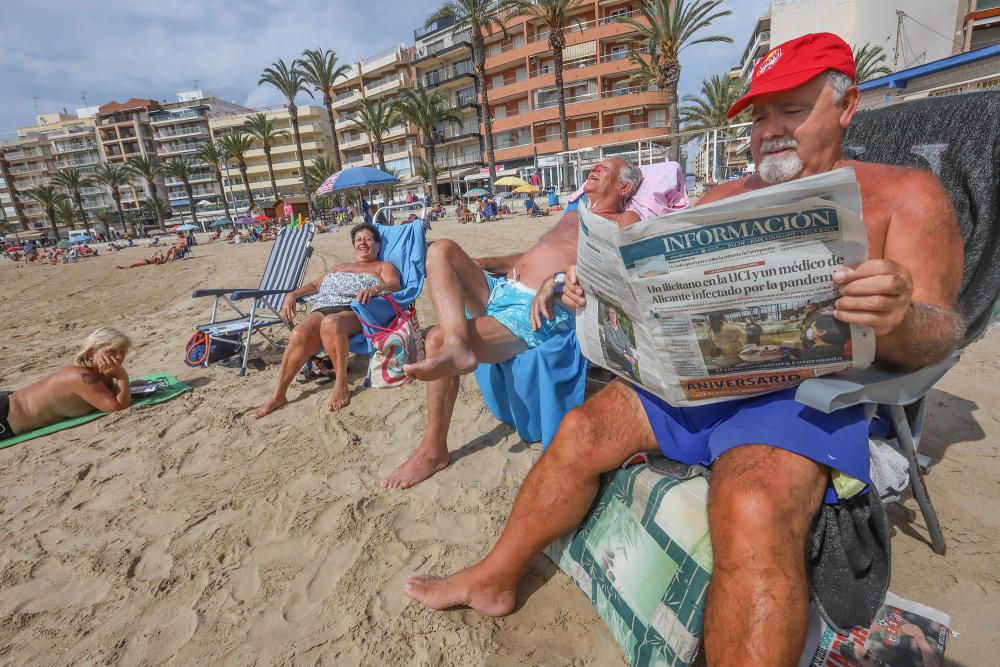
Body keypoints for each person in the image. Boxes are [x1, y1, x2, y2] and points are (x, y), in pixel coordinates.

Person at [402, 33, 964, 665]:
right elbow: (653, 294)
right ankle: (495, 577)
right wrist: (591, 290)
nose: (769, 130)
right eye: (758, 115)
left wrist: (897, 315)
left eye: (791, 109)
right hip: (695, 379)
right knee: (581, 429)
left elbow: (943, 333)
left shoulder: (906, 196)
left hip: (805, 391)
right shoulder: (721, 199)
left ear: (846, 104)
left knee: (751, 501)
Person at [383, 157, 643, 489]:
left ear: (625, 187)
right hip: (502, 289)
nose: (595, 167)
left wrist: (558, 281)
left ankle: (433, 451)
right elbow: (535, 253)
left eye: (606, 168)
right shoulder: (575, 212)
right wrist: (482, 263)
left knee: (434, 339)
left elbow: (616, 274)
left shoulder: (624, 219)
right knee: (441, 250)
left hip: (534, 307)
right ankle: (457, 345)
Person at [252, 223, 401, 417]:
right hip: (324, 306)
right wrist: (292, 294)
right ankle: (278, 395)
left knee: (331, 323)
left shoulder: (383, 266)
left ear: (378, 245)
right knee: (299, 333)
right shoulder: (339, 267)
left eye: (368, 239)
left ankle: (341, 385)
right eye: (358, 240)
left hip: (357, 309)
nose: (362, 243)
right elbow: (315, 285)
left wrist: (374, 290)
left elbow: (395, 285)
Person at [1, 328, 132, 442]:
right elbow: (117, 407)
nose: (119, 357)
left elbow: (110, 394)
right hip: (4, 415)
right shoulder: (82, 378)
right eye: (111, 351)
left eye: (122, 352)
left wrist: (123, 384)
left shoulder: (101, 375)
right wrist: (122, 377)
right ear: (90, 353)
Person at [603, 308, 638, 378]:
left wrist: (631, 355)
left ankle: (631, 375)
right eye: (610, 313)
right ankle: (631, 376)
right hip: (612, 351)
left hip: (622, 352)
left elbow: (626, 343)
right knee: (625, 361)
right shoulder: (607, 325)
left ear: (616, 314)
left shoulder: (619, 327)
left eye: (613, 313)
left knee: (634, 361)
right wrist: (624, 354)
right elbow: (611, 343)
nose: (612, 315)